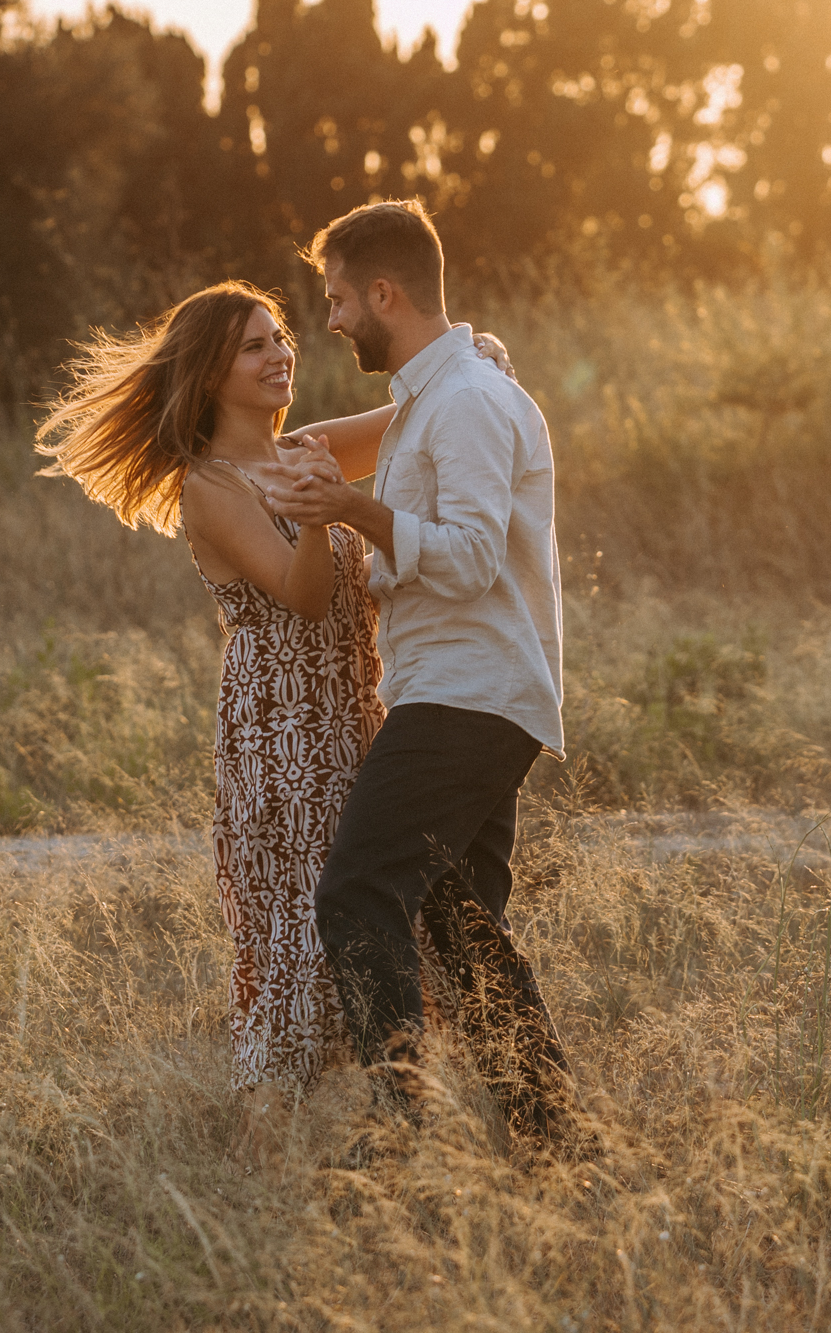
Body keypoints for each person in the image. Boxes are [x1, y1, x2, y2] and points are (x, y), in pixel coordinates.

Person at [33, 281, 515, 1159]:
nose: (280, 353)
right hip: (278, 731)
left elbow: (409, 412)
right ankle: (259, 1177)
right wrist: (317, 507)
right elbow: (301, 596)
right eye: (254, 345)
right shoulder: (210, 485)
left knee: (362, 919)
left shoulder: (305, 449)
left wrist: (470, 356)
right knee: (297, 942)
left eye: (281, 337)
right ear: (214, 372)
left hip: (349, 715)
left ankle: (402, 1130)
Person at [262, 200, 578, 1146]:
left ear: (385, 293)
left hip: (468, 692)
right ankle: (554, 1138)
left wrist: (352, 510)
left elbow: (475, 556)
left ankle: (401, 1129)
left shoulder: (471, 402)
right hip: (459, 686)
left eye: (338, 300)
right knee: (459, 924)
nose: (330, 322)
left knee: (355, 886)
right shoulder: (429, 402)